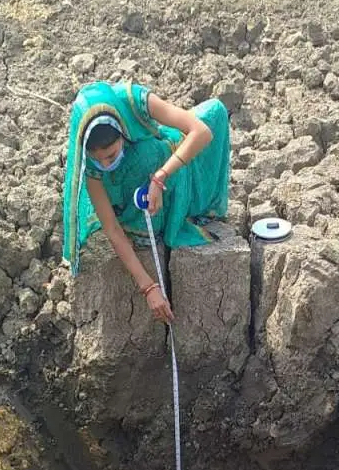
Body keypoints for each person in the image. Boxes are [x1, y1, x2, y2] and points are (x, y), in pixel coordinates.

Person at [62, 80, 231, 324]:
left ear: (123, 130)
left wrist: (161, 177)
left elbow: (201, 131)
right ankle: (145, 220)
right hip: (128, 194)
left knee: (214, 111)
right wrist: (149, 287)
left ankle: (178, 197)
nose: (106, 164)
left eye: (110, 155)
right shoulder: (91, 165)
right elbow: (112, 229)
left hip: (163, 166)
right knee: (148, 154)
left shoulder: (133, 100)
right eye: (98, 160)